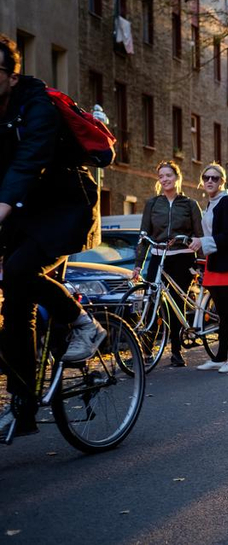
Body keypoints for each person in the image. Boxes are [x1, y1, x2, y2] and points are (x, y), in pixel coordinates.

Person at [0, 34, 105, 439]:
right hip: (23, 214)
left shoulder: (37, 105)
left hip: (65, 209)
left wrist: (3, 207)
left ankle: (83, 323)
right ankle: (23, 406)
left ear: (12, 77)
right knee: (15, 310)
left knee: (20, 271)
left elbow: (28, 164)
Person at [134, 160, 203, 367]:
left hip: (182, 258)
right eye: (161, 176)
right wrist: (138, 264)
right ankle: (145, 351)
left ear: (177, 177)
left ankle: (176, 351)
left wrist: (201, 261)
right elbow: (144, 235)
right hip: (158, 257)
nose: (164, 179)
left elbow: (199, 235)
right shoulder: (153, 204)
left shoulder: (190, 204)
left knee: (176, 303)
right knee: (151, 301)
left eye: (168, 175)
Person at [193, 163, 228, 374]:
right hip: (215, 264)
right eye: (206, 177)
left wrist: (202, 243)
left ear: (222, 182)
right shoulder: (212, 203)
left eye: (215, 178)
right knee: (222, 314)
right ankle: (220, 357)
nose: (209, 181)